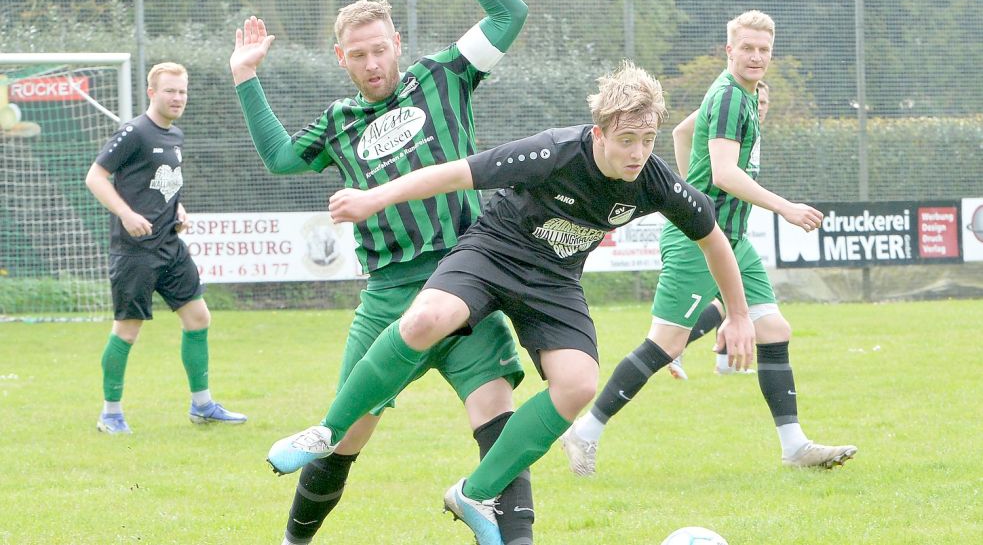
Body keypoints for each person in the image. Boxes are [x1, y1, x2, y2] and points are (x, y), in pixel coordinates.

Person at [268, 60, 756, 545]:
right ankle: (327, 432)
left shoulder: (653, 180)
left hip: (554, 281)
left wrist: (737, 315)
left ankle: (473, 494)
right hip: (492, 252)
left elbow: (713, 238)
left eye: (647, 140)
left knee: (578, 385)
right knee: (425, 319)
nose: (638, 153)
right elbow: (454, 174)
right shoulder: (554, 152)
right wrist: (373, 199)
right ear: (600, 133)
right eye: (627, 140)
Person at [229, 0, 535, 544]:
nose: (372, 64)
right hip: (388, 296)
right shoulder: (339, 122)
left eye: (379, 50)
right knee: (341, 436)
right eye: (358, 55)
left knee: (499, 420)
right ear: (340, 58)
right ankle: (294, 541)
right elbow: (280, 159)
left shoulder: (445, 76)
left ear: (397, 45)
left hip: (466, 279)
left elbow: (509, 15)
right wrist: (246, 76)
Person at [562, 11, 857, 476]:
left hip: (732, 237)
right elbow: (724, 173)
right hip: (698, 240)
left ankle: (794, 446)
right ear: (729, 50)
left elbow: (681, 132)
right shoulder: (727, 97)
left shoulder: (743, 95)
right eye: (747, 48)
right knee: (665, 344)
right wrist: (783, 207)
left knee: (774, 329)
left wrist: (687, 195)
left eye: (764, 49)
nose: (756, 56)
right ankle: (585, 431)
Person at [85, 62, 247, 435]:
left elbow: (161, 182)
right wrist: (126, 214)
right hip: (135, 252)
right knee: (127, 330)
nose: (178, 98)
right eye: (171, 90)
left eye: (183, 91)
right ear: (152, 93)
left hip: (170, 246)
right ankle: (110, 414)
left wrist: (178, 207)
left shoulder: (175, 135)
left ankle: (203, 406)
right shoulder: (134, 133)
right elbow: (95, 176)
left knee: (198, 318)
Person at [666, 79, 770, 380]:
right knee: (722, 302)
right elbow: (680, 133)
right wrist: (693, 192)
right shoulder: (727, 110)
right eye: (757, 102)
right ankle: (676, 348)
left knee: (732, 303)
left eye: (764, 104)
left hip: (733, 229)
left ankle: (725, 364)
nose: (760, 108)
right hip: (713, 229)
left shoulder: (749, 123)